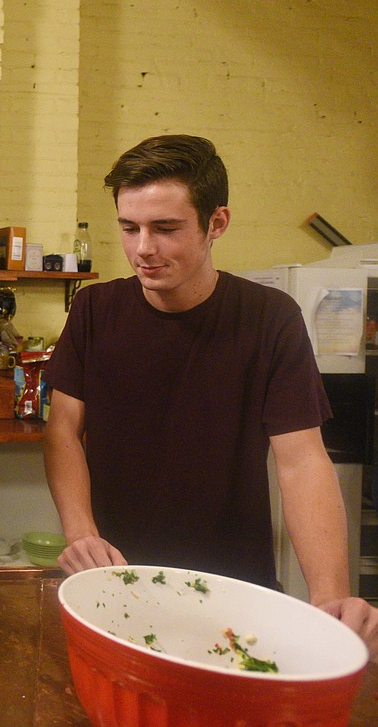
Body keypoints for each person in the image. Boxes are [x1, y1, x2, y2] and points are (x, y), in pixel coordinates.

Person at [42, 133, 378, 656]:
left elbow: (302, 462)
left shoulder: (270, 319)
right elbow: (63, 429)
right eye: (129, 228)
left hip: (235, 591)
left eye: (166, 228)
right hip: (118, 580)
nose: (143, 249)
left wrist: (330, 597)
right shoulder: (94, 311)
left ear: (216, 222)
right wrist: (80, 531)